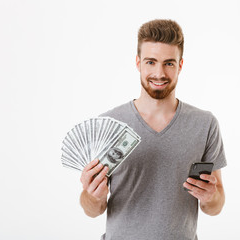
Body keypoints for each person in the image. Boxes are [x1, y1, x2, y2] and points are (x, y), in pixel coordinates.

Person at [79, 19, 227, 240]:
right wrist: (94, 196)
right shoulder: (109, 124)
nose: (159, 73)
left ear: (180, 65)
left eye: (168, 63)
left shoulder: (204, 124)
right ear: (138, 63)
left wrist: (209, 196)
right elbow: (92, 210)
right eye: (151, 62)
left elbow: (215, 207)